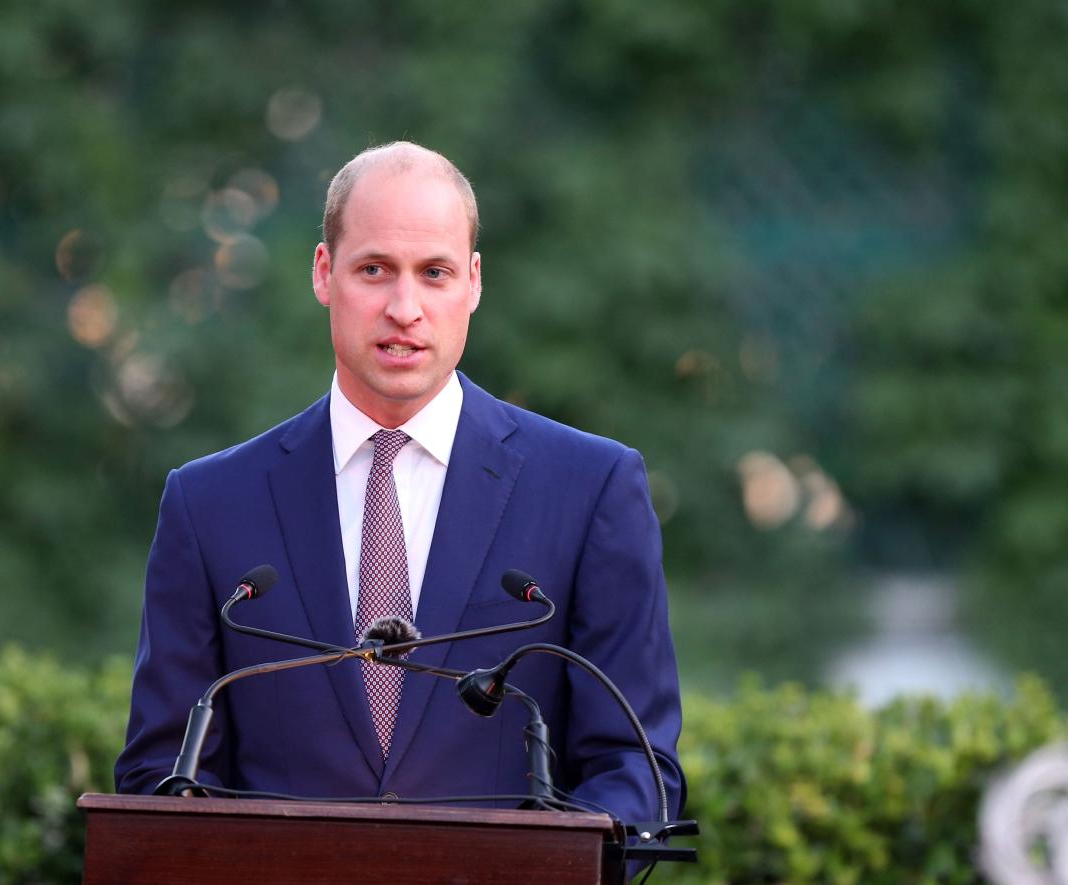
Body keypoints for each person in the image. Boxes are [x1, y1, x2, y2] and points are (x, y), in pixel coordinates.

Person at [115, 142, 685, 826]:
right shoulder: (208, 505)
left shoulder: (592, 487)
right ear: (325, 273)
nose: (404, 306)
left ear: (473, 283)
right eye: (375, 269)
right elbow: (161, 776)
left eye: (435, 272)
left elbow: (635, 767)